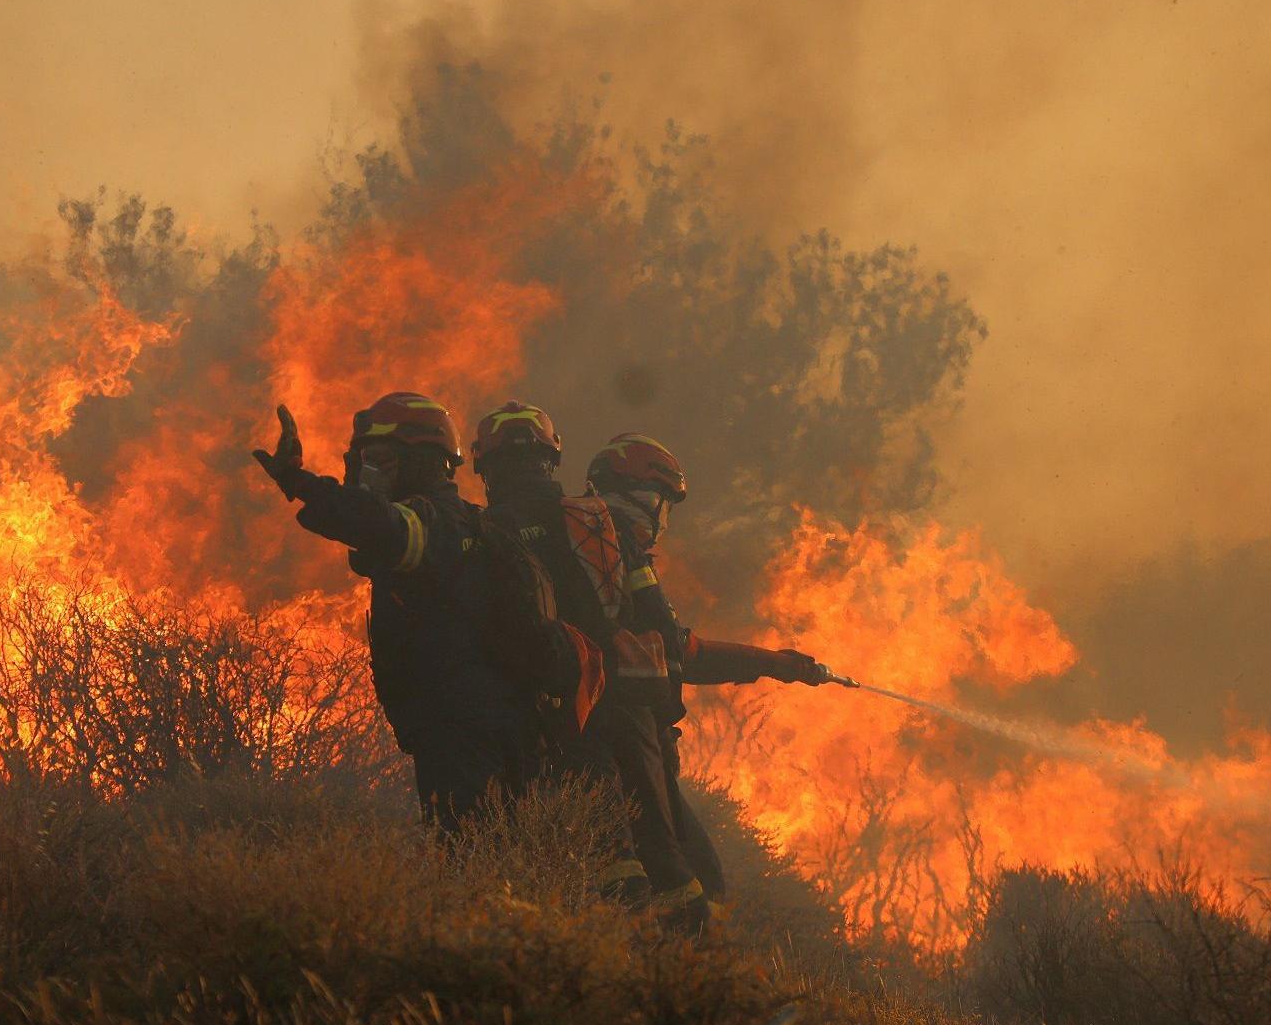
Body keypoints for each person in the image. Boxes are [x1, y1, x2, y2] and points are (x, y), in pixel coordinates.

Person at [251, 393, 593, 833]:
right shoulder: (467, 520)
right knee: (509, 861)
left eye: (379, 460)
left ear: (422, 461)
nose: (369, 472)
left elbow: (376, 525)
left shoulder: (433, 526)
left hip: (463, 729)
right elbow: (371, 539)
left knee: (468, 858)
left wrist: (301, 483)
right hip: (494, 720)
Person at [469, 401, 706, 925]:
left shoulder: (478, 534)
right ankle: (687, 967)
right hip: (626, 712)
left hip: (545, 719)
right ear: (552, 459)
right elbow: (664, 630)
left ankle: (610, 956)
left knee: (599, 856)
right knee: (666, 861)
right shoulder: (592, 522)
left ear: (485, 469)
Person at [585, 432, 837, 903]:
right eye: (662, 504)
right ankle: (679, 971)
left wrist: (774, 664)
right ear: (643, 497)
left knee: (667, 879)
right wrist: (774, 664)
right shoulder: (617, 553)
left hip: (611, 740)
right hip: (629, 742)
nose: (662, 520)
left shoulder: (592, 555)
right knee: (688, 885)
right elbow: (684, 651)